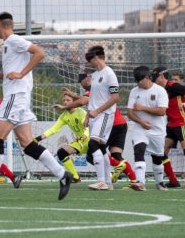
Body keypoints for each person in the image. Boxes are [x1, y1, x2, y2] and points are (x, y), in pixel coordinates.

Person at [0, 12, 72, 202]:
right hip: (19, 98)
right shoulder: (9, 44)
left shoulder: (14, 39)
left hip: (15, 98)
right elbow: (13, 74)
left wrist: (21, 74)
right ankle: (62, 174)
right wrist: (0, 75)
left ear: (0, 26)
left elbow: (40, 53)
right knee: (28, 145)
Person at [60, 71, 138, 188]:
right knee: (115, 155)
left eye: (81, 81)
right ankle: (134, 180)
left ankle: (104, 180)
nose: (81, 84)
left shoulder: (94, 87)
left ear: (87, 78)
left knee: (93, 153)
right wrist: (73, 95)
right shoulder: (97, 88)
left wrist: (64, 107)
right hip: (120, 123)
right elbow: (86, 99)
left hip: (110, 124)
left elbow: (82, 101)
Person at [82, 45, 119, 190]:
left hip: (104, 115)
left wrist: (97, 111)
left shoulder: (109, 73)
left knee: (93, 144)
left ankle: (101, 181)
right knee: (102, 149)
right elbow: (92, 99)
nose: (89, 62)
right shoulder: (95, 75)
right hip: (94, 116)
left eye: (90, 59)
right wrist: (87, 116)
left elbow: (115, 97)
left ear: (97, 57)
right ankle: (108, 182)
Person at [126, 66, 168, 191]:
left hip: (157, 130)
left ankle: (159, 182)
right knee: (139, 150)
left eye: (140, 80)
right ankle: (140, 182)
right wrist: (140, 122)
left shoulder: (160, 91)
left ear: (146, 77)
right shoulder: (134, 91)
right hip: (140, 128)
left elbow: (161, 111)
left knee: (158, 157)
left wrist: (143, 108)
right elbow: (129, 112)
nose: (138, 83)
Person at [34, 93, 89, 183]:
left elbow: (87, 127)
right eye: (64, 100)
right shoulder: (64, 116)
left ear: (74, 102)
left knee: (97, 159)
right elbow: (53, 129)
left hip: (91, 140)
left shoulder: (81, 112)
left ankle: (113, 172)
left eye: (68, 100)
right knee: (61, 153)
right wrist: (37, 139)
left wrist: (83, 137)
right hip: (80, 142)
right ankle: (75, 177)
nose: (65, 102)